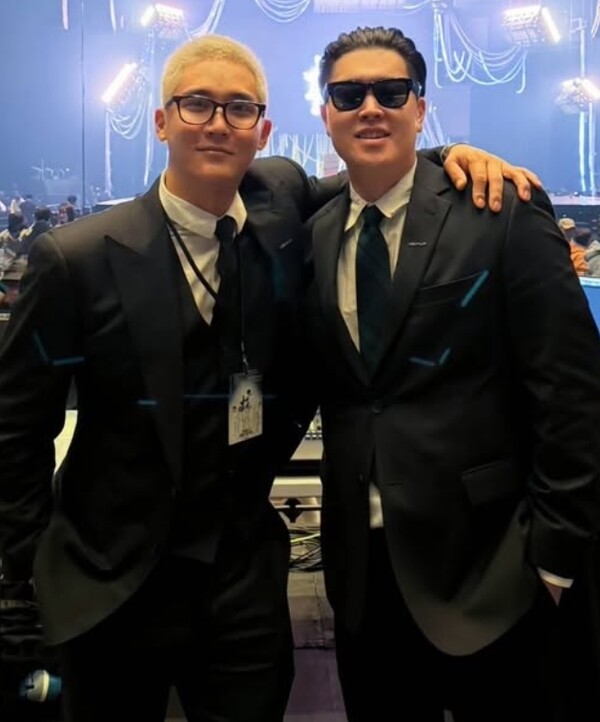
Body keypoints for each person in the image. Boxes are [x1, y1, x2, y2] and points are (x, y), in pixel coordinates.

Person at [0, 32, 538, 722]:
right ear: (160, 121)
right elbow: (15, 430)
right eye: (196, 104)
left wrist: (449, 153)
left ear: (263, 131)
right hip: (109, 582)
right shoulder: (74, 259)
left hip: (243, 582)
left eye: (239, 108)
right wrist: (34, 571)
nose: (217, 123)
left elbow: (378, 164)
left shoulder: (282, 204)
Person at [304, 25, 600, 722]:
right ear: (325, 113)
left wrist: (554, 560)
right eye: (349, 95)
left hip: (494, 572)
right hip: (364, 581)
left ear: (420, 107)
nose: (370, 108)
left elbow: (571, 391)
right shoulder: (313, 228)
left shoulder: (500, 209)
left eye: (391, 92)